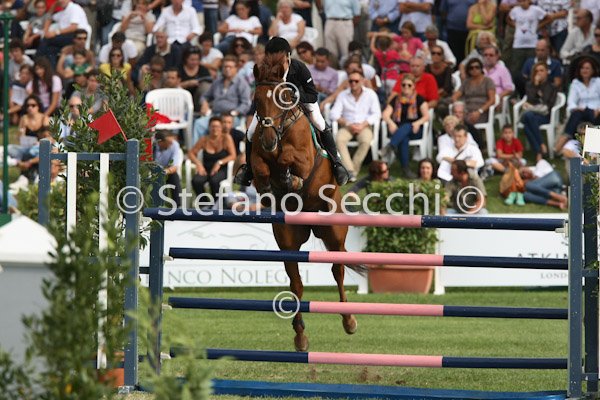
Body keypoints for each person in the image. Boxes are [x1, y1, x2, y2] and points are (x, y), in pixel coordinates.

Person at [235, 36, 350, 186]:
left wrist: (295, 95)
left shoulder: (299, 68)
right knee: (250, 132)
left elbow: (313, 95)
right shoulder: (265, 70)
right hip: (273, 108)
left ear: (288, 56)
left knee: (320, 123)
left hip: (302, 102)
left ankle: (336, 164)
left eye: (279, 57)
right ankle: (248, 169)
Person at [330, 70, 381, 182]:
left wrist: (363, 125)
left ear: (362, 81)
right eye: (351, 81)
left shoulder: (371, 94)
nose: (353, 83)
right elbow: (333, 113)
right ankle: (350, 171)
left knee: (366, 141)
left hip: (364, 126)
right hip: (347, 126)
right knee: (339, 140)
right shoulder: (343, 95)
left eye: (356, 81)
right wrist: (347, 123)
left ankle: (352, 170)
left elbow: (376, 113)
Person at [380, 74, 430, 178]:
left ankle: (391, 146)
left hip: (415, 130)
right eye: (404, 85)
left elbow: (426, 116)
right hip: (397, 130)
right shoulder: (396, 99)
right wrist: (391, 123)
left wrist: (417, 123)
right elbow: (385, 114)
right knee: (404, 138)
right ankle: (406, 169)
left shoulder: (419, 99)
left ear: (413, 86)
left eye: (409, 85)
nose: (406, 87)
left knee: (408, 125)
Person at [193, 55, 252, 142]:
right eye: (225, 67)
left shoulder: (242, 83)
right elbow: (205, 96)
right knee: (199, 123)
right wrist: (204, 103)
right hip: (215, 115)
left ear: (236, 68)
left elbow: (246, 103)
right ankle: (197, 150)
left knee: (220, 126)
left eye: (230, 67)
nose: (227, 69)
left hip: (232, 117)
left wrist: (235, 112)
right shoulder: (217, 81)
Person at [188, 116, 237, 198]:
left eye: (217, 126)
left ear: (221, 127)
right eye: (213, 126)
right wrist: (198, 164)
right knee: (196, 181)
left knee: (214, 181)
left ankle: (217, 202)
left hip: (222, 169)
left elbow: (233, 155)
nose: (215, 129)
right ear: (209, 127)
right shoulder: (204, 139)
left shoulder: (226, 138)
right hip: (206, 169)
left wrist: (219, 162)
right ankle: (204, 203)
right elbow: (191, 153)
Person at [520, 62, 557, 161]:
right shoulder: (530, 85)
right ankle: (541, 145)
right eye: (536, 71)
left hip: (544, 115)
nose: (539, 73)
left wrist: (532, 106)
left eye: (541, 70)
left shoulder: (551, 86)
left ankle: (539, 152)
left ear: (547, 72)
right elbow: (531, 99)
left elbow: (546, 103)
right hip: (531, 114)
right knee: (529, 116)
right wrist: (536, 86)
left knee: (527, 124)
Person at [36, 0, 91, 66]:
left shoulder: (75, 8)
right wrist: (53, 7)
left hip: (77, 37)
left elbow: (74, 27)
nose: (61, 1)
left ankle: (37, 62)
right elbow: (49, 18)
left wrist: (56, 32)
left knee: (47, 39)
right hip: (64, 39)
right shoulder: (62, 12)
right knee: (50, 49)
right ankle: (51, 70)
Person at [507, 0, 548, 75]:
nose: (522, 3)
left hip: (532, 44)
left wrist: (538, 26)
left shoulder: (536, 10)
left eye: (524, 1)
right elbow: (508, 19)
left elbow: (548, 18)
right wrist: (515, 26)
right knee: (516, 67)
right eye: (520, 1)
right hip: (518, 44)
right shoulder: (515, 10)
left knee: (533, 67)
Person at [451, 58, 495, 126]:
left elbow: (492, 100)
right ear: (468, 70)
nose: (474, 69)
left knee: (464, 119)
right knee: (457, 117)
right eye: (471, 68)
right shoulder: (466, 82)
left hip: (482, 111)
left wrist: (479, 111)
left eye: (477, 67)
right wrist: (458, 107)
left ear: (481, 69)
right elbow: (455, 96)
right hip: (466, 110)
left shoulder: (488, 81)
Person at [153, 130, 183, 207]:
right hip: (154, 172)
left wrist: (165, 171)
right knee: (159, 179)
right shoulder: (153, 146)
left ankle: (177, 205)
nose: (171, 144)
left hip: (168, 171)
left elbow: (175, 166)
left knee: (174, 177)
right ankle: (161, 205)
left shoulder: (174, 145)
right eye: (169, 142)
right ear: (160, 142)